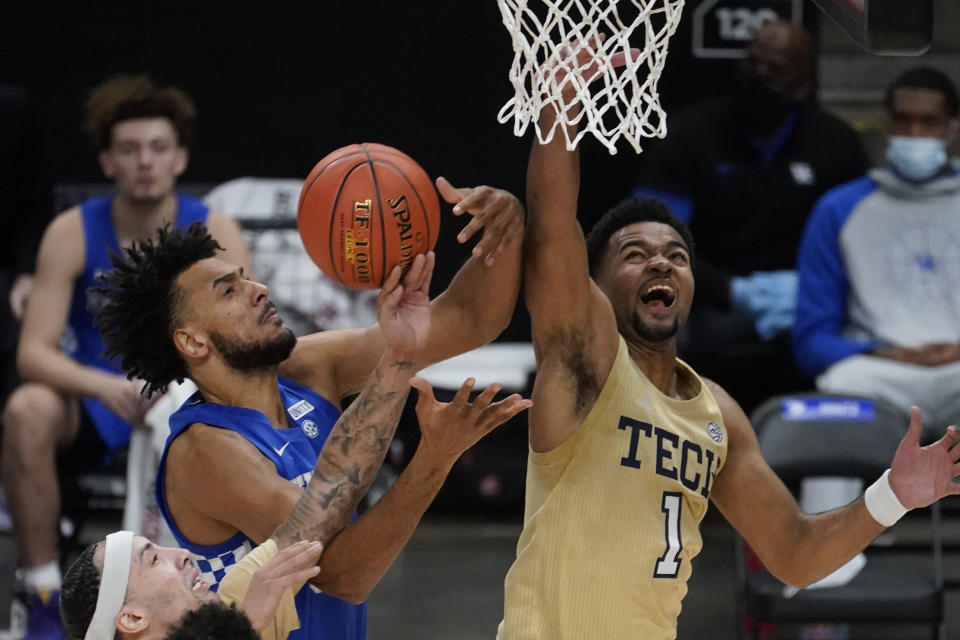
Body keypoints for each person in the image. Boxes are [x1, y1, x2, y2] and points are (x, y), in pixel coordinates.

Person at [495, 44, 960, 640]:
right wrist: (559, 111)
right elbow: (553, 230)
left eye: (677, 257)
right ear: (597, 288)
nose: (661, 264)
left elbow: (794, 553)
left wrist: (892, 496)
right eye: (635, 255)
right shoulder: (584, 365)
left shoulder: (720, 417)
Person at [87, 174, 523, 639]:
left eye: (245, 277)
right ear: (193, 341)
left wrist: (505, 229)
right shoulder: (205, 451)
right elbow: (344, 576)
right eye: (229, 291)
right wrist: (433, 459)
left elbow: (472, 319)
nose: (259, 289)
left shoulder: (308, 367)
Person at [0, 74, 252, 640]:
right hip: (100, 398)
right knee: (26, 410)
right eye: (130, 149)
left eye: (158, 148)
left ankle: (220, 593)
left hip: (187, 398)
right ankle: (41, 589)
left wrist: (178, 384)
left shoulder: (216, 229)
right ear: (107, 161)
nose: (145, 161)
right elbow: (35, 355)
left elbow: (243, 344)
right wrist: (104, 385)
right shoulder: (70, 231)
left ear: (180, 158)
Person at [633, 20, 869, 412]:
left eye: (774, 71)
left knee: (838, 345)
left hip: (809, 298)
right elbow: (652, 237)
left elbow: (860, 242)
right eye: (752, 64)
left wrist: (815, 291)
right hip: (711, 296)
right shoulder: (691, 135)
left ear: (801, 85)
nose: (758, 78)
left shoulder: (836, 144)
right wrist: (732, 290)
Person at [793, 66, 960, 435]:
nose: (915, 134)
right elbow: (811, 339)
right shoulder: (837, 209)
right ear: (887, 124)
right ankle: (836, 498)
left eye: (928, 122)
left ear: (952, 127)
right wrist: (880, 351)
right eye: (904, 121)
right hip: (879, 371)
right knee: (838, 390)